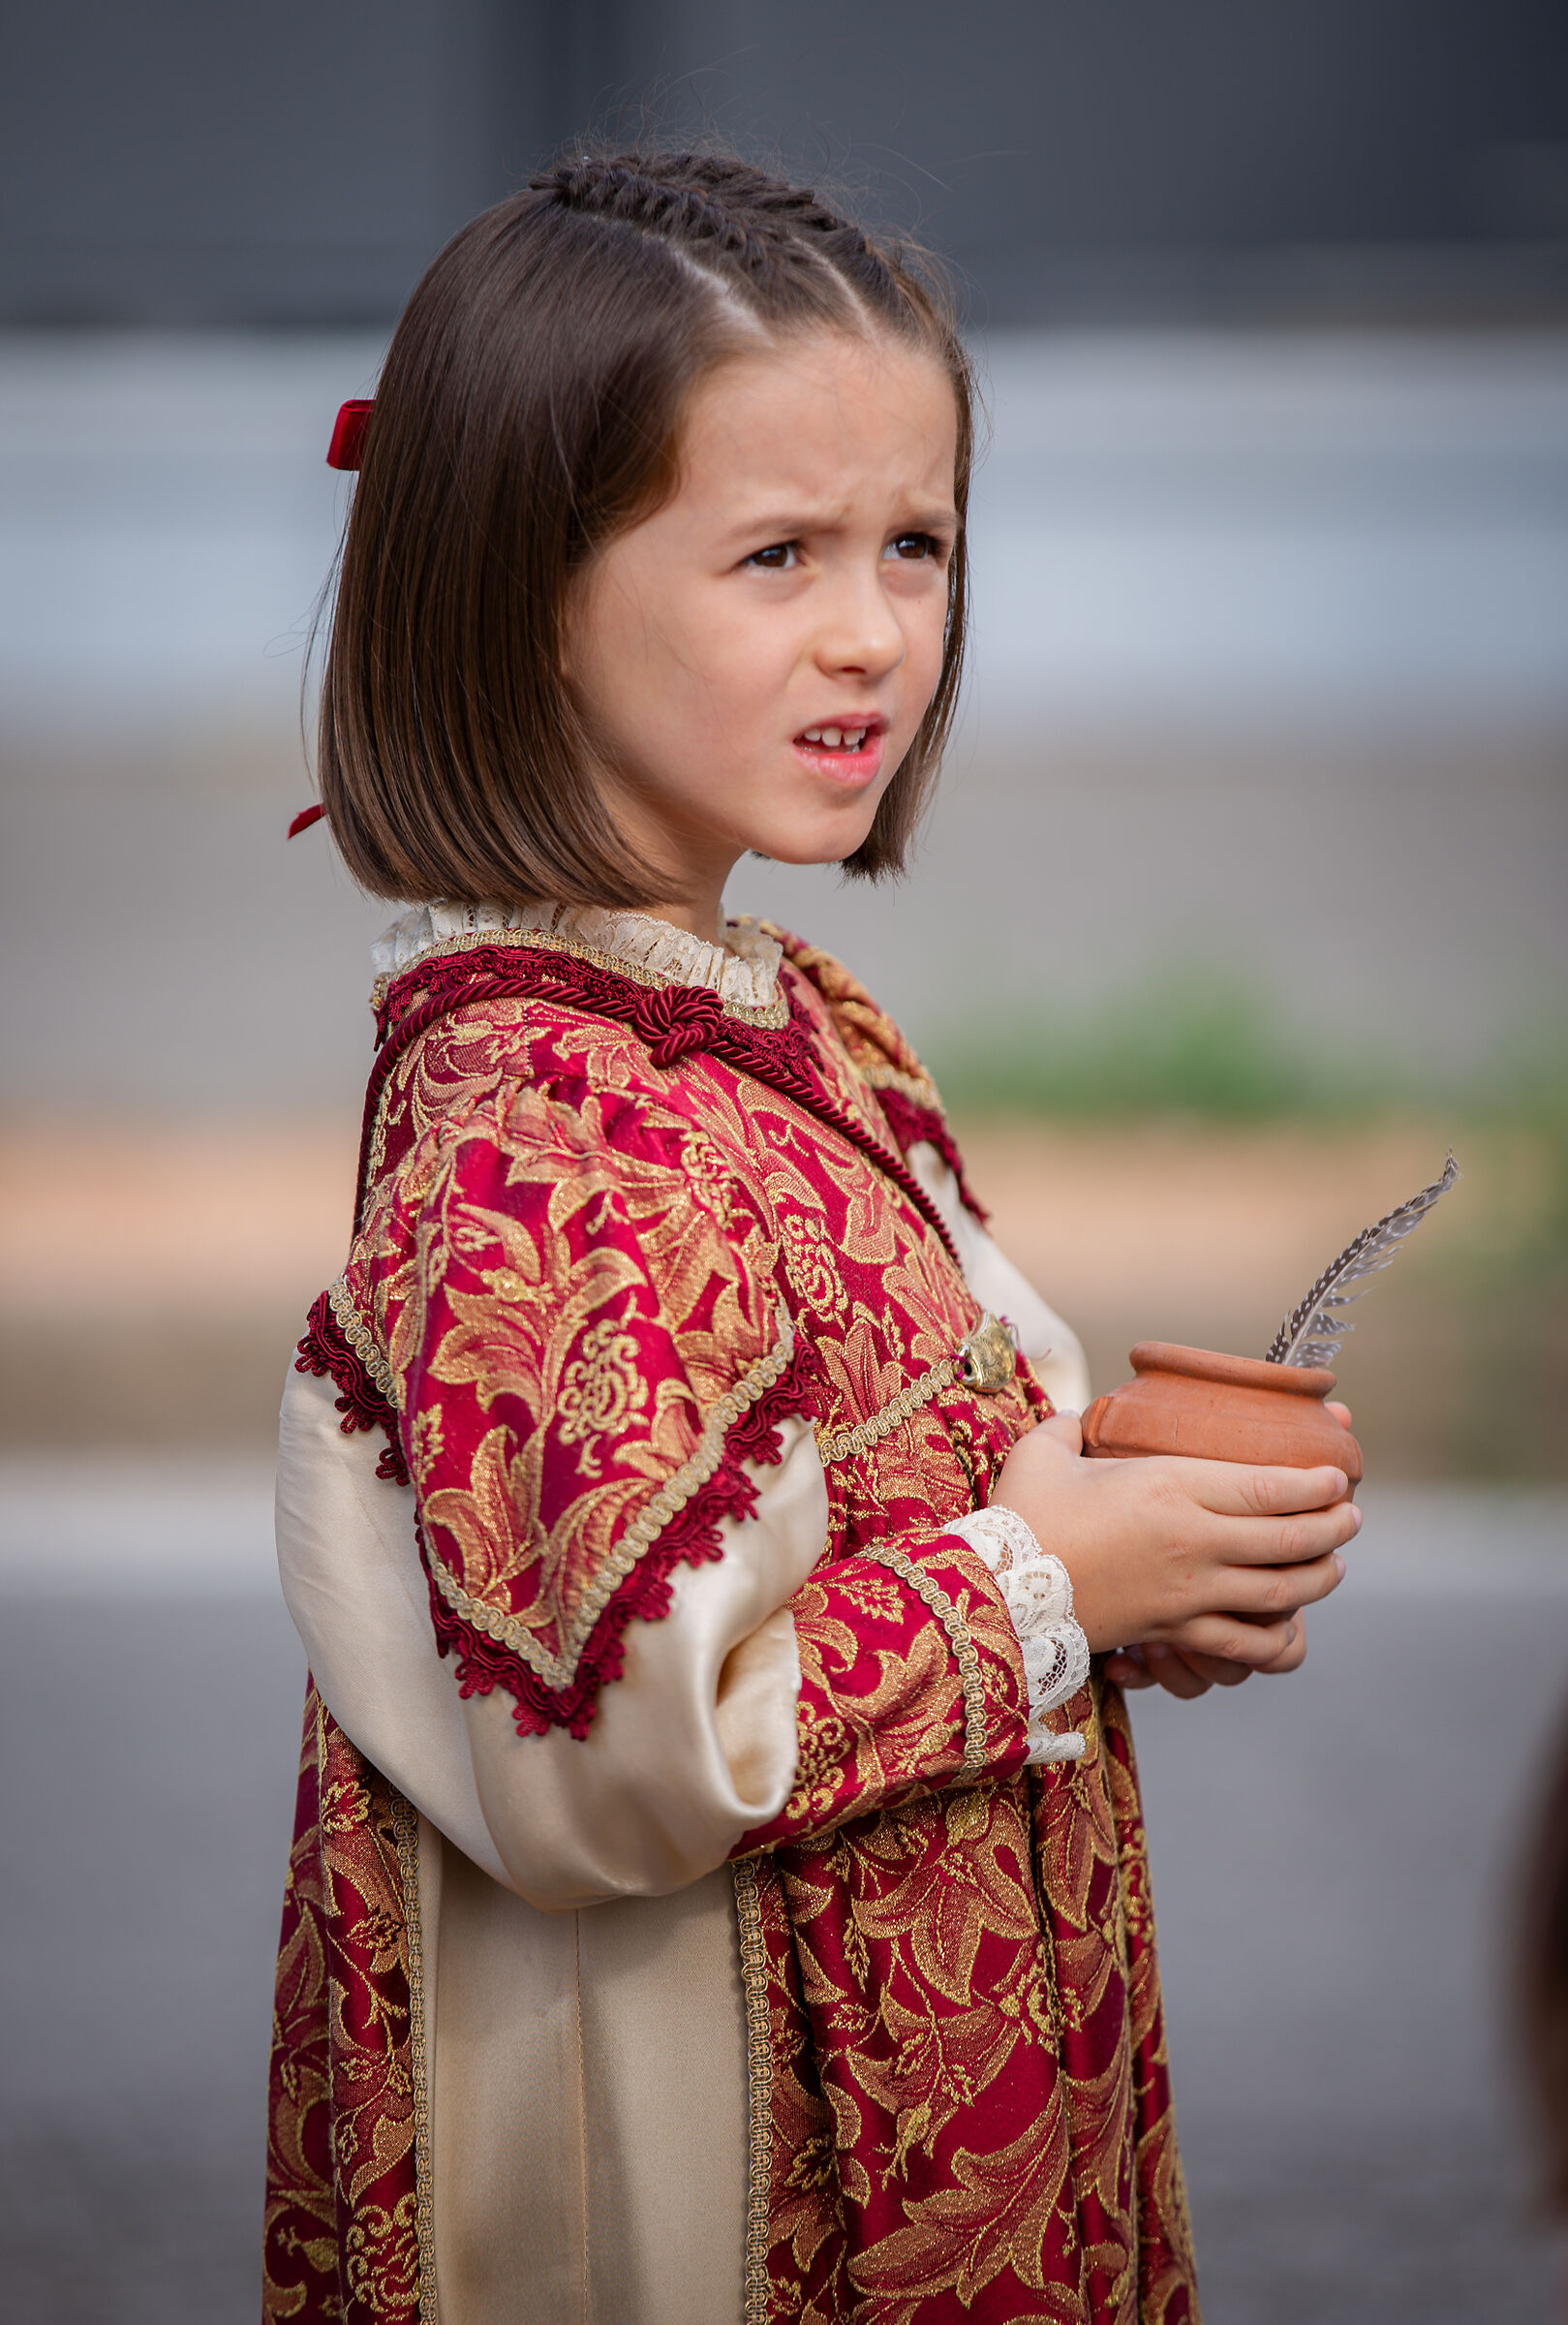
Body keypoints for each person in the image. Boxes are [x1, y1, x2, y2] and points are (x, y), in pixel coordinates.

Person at [262, 149, 1358, 2325]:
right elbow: (606, 1761)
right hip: (715, 2156)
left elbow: (885, 1506)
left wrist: (1128, 1557)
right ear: (519, 584)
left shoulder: (778, 1017)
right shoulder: (538, 1133)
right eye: (775, 554)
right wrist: (1046, 1582)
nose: (874, 631)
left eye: (916, 545)